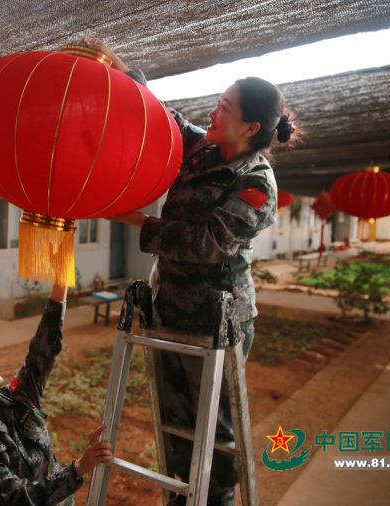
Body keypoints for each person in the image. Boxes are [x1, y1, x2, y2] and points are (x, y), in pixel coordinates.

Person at [84, 37, 302, 506]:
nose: (212, 112)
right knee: (175, 415)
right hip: (170, 308)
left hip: (217, 319)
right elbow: (161, 120)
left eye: (224, 107)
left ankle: (216, 499)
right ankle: (181, 495)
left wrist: (140, 223)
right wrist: (122, 70)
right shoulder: (202, 149)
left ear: (250, 126)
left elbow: (209, 243)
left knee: (215, 426)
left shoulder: (256, 184)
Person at [0, 275, 113, 506]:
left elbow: (43, 349)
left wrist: (61, 278)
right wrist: (78, 469)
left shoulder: (18, 396)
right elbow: (17, 499)